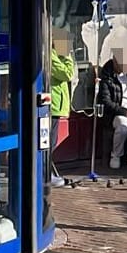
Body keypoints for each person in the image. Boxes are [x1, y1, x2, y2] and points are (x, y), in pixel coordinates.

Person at [48, 31, 76, 187]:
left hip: (58, 107)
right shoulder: (51, 56)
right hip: (52, 106)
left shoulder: (56, 56)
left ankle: (47, 173)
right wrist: (67, 56)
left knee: (52, 143)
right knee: (48, 144)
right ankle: (45, 175)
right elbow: (67, 74)